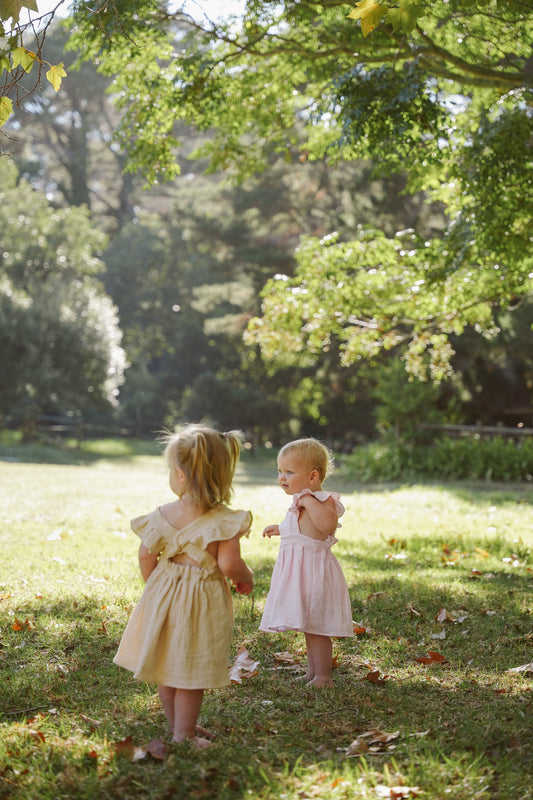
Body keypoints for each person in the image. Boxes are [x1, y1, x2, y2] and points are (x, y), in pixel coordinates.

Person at [114, 424, 254, 747]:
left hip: (164, 594)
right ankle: (184, 733)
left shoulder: (163, 515)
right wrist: (245, 578)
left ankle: (178, 725)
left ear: (179, 475)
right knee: (191, 668)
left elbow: (146, 555)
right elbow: (229, 564)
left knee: (166, 663)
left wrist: (157, 588)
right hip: (201, 599)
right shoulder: (225, 520)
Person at [260, 437, 353, 688]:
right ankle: (312, 672)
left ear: (312, 477)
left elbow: (327, 526)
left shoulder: (322, 499)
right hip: (299, 574)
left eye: (289, 471)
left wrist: (310, 501)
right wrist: (280, 528)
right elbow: (301, 529)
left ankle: (324, 676)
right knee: (308, 627)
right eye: (280, 471)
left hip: (315, 574)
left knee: (318, 627)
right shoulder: (299, 501)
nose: (282, 477)